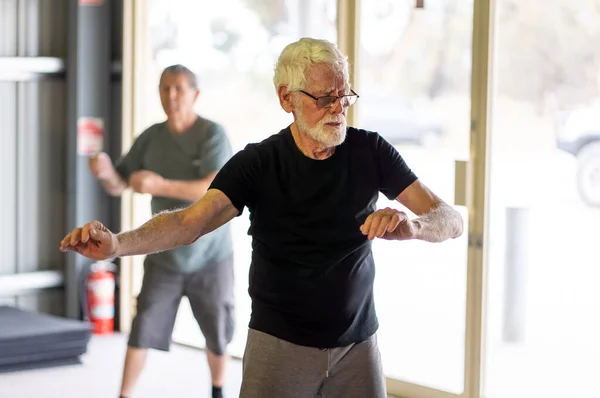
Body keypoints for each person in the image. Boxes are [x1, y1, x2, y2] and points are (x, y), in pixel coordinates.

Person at [62, 39, 463, 398]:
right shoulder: (258, 163)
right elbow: (189, 224)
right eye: (324, 97)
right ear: (286, 98)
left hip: (358, 346)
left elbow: (450, 219)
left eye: (345, 95)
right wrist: (117, 244)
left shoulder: (371, 151)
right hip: (279, 345)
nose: (338, 108)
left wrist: (414, 227)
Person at [86, 64, 234, 398]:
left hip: (211, 255)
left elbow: (215, 187)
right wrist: (106, 171)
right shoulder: (151, 137)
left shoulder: (213, 134)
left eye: (179, 88)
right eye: (165, 88)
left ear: (195, 94)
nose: (171, 95)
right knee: (143, 328)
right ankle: (124, 394)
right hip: (164, 254)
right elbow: (119, 184)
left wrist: (160, 183)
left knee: (218, 331)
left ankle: (218, 390)